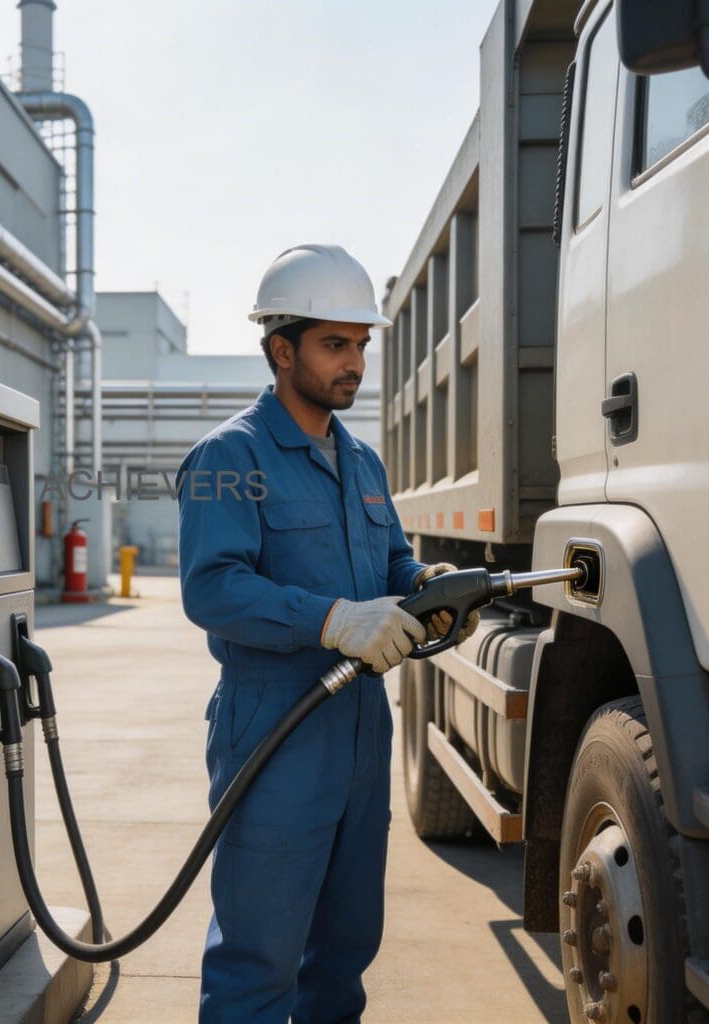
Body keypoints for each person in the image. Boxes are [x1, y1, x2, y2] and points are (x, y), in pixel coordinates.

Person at [175, 243, 478, 1023]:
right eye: (335, 344)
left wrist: (426, 585)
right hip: (275, 728)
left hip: (361, 732)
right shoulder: (229, 456)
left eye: (361, 344)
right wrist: (334, 619)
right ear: (282, 351)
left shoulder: (363, 462)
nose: (355, 364)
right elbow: (212, 587)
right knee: (258, 961)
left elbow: (392, 562)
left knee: (343, 956)